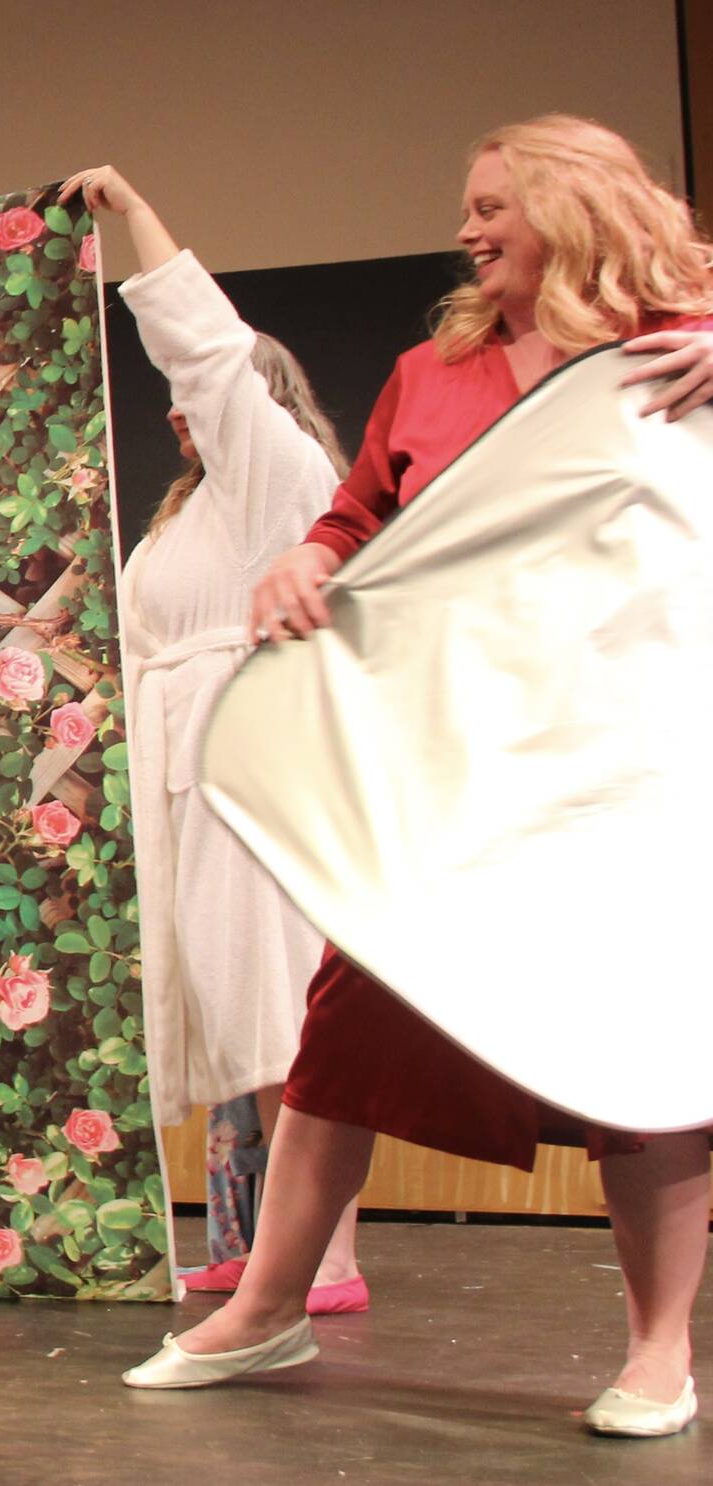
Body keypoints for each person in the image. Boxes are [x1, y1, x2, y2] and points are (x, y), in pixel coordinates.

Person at [123, 116, 713, 1440]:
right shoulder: (431, 371)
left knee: (648, 1048)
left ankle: (662, 1351)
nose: (467, 226)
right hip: (456, 760)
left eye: (492, 202)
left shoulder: (688, 340)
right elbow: (358, 517)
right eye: (467, 204)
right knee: (347, 1016)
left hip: (631, 765)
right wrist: (308, 558)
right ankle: (267, 1305)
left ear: (570, 208)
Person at [62, 165, 364, 1309]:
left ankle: (325, 1258)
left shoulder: (281, 480)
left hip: (254, 763)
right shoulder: (184, 515)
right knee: (233, 1015)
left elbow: (205, 352)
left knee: (284, 1011)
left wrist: (135, 224)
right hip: (183, 772)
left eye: (201, 394)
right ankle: (253, 1241)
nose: (175, 406)